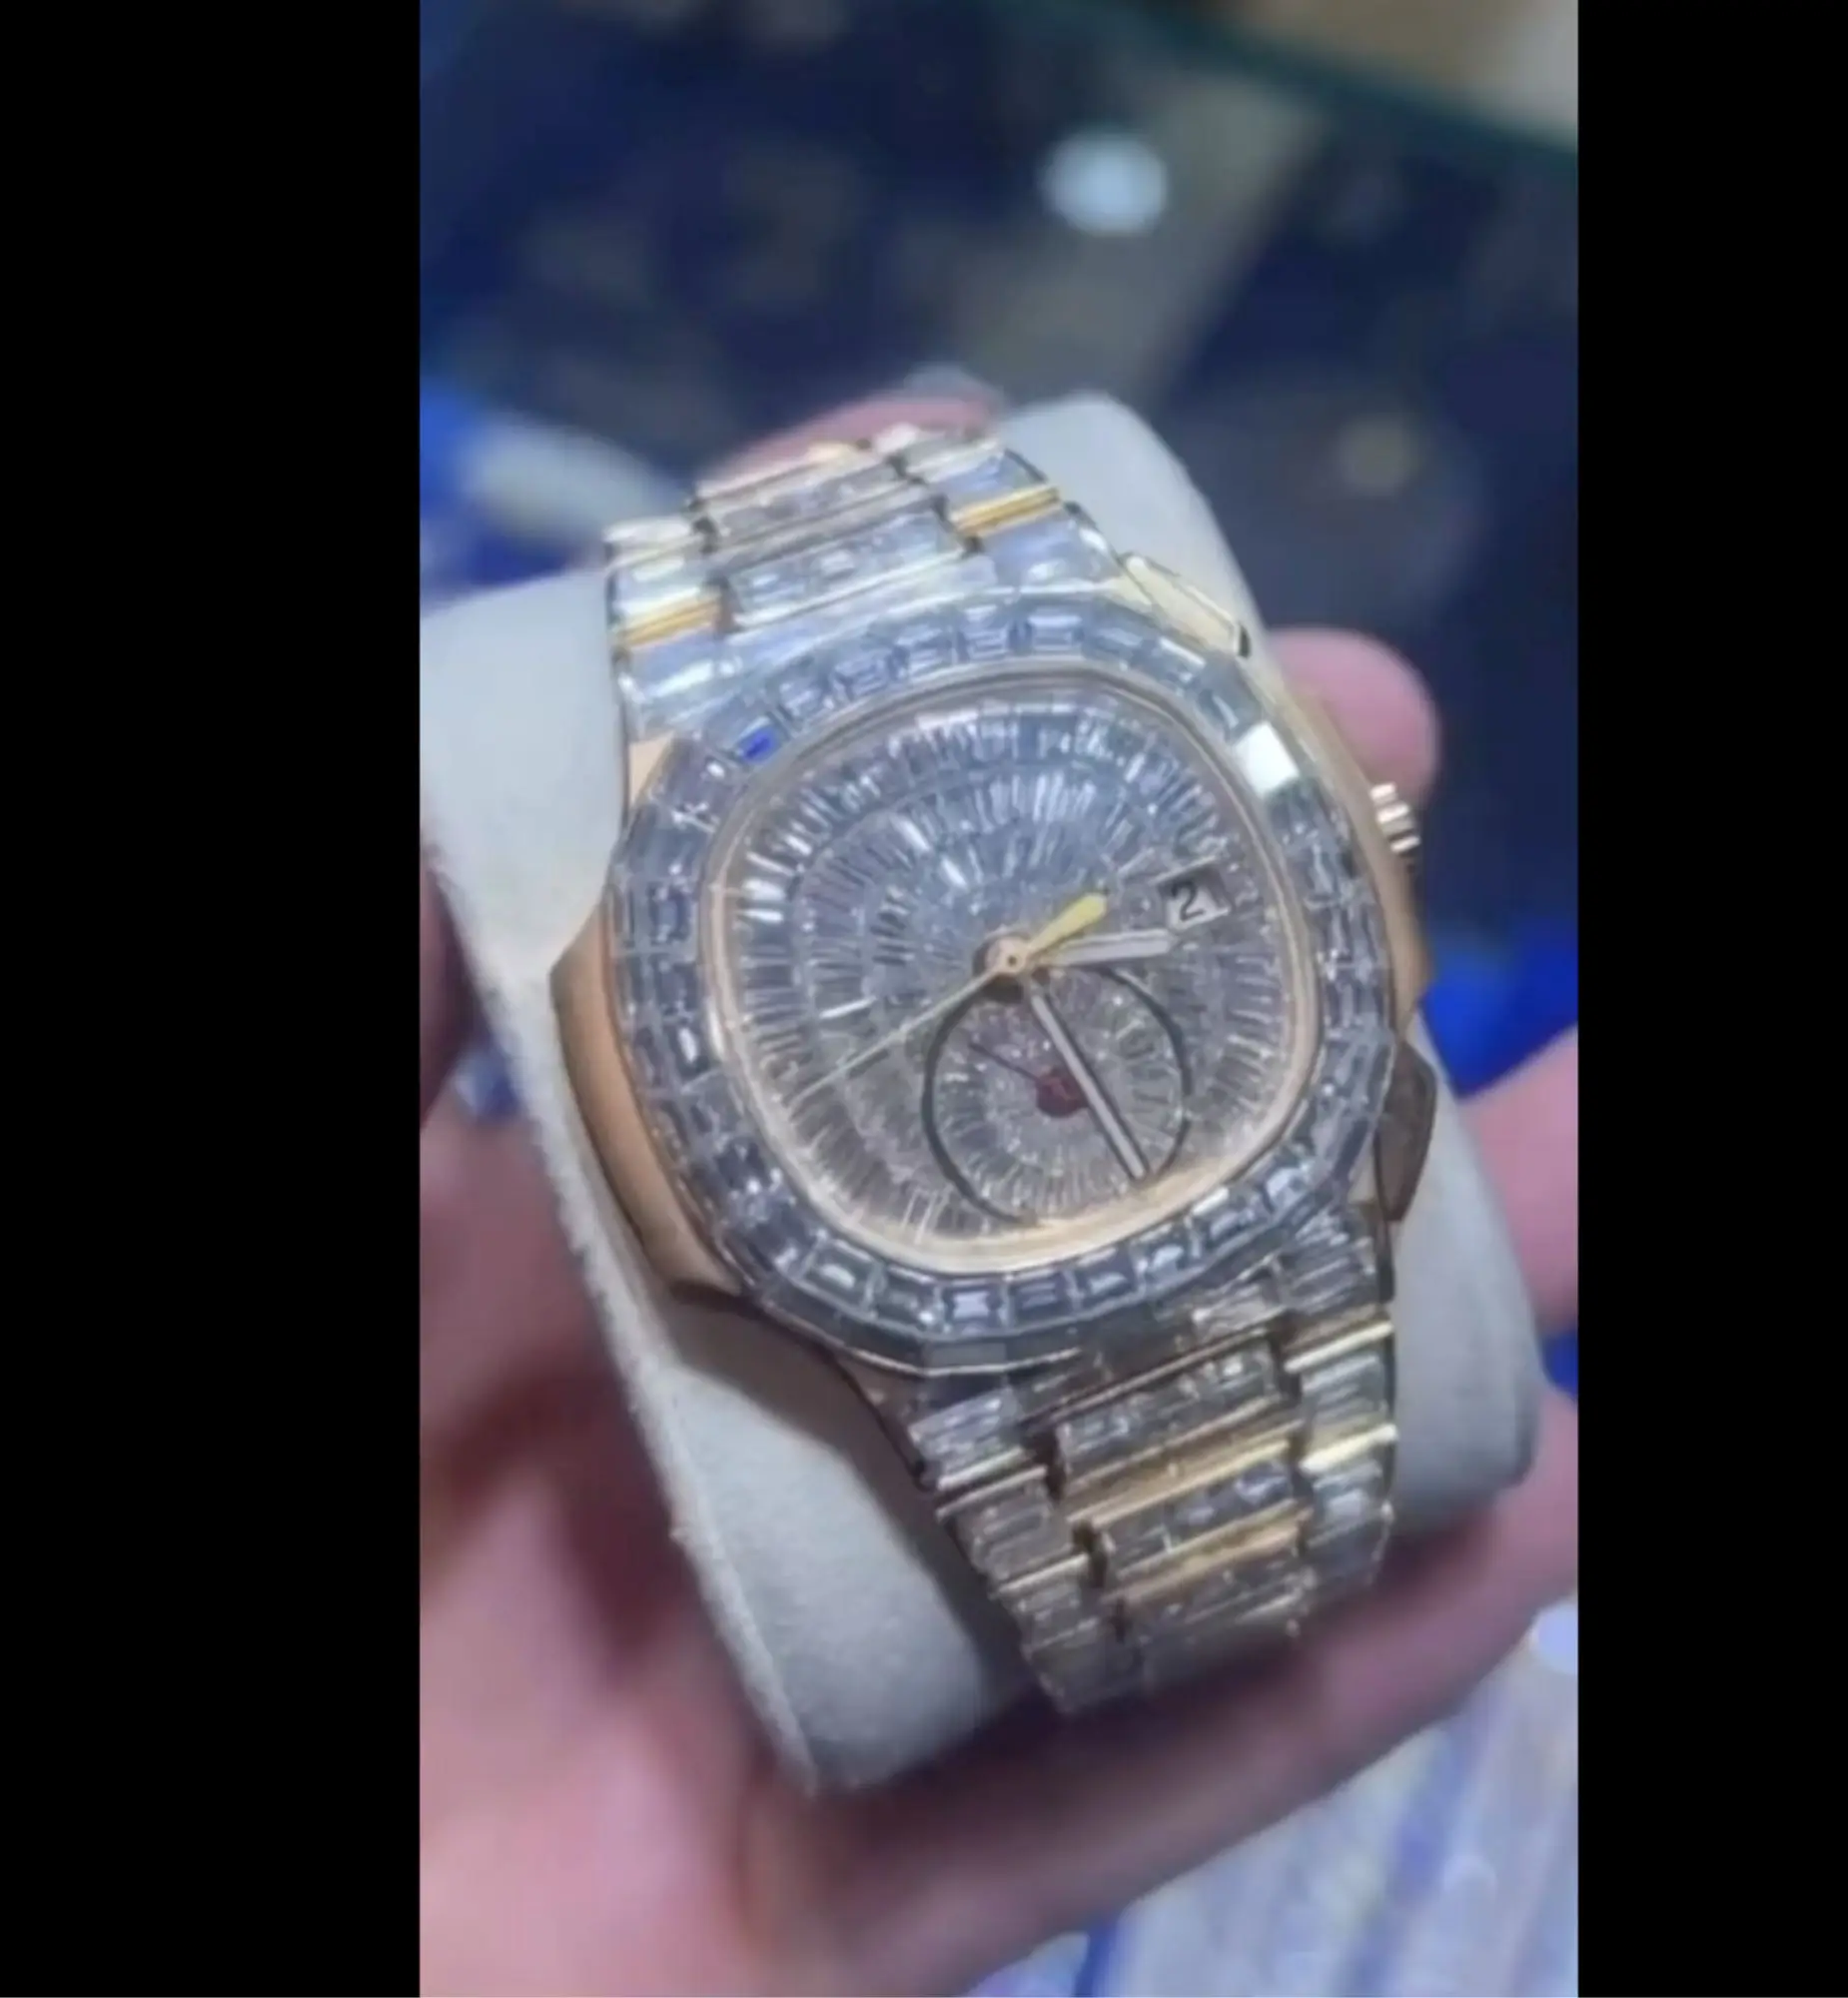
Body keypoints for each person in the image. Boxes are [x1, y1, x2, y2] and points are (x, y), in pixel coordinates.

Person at [419, 395, 1579, 1996]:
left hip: (1278, 1217)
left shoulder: (1183, 747)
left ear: (1356, 855)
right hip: (948, 1323)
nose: (1010, 961)